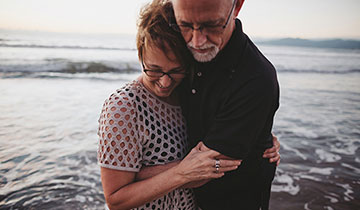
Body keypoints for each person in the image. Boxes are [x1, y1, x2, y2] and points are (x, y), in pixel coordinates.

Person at [97, 1, 242, 209]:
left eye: (175, 70)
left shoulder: (188, 94)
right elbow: (116, 200)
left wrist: (263, 138)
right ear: (140, 56)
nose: (165, 82)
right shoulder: (124, 107)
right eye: (153, 69)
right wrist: (181, 172)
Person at [138, 0, 281, 209]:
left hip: (236, 199)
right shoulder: (176, 37)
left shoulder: (257, 78)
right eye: (185, 25)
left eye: (212, 25)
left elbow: (202, 171)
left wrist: (133, 172)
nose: (197, 41)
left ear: (237, 6)